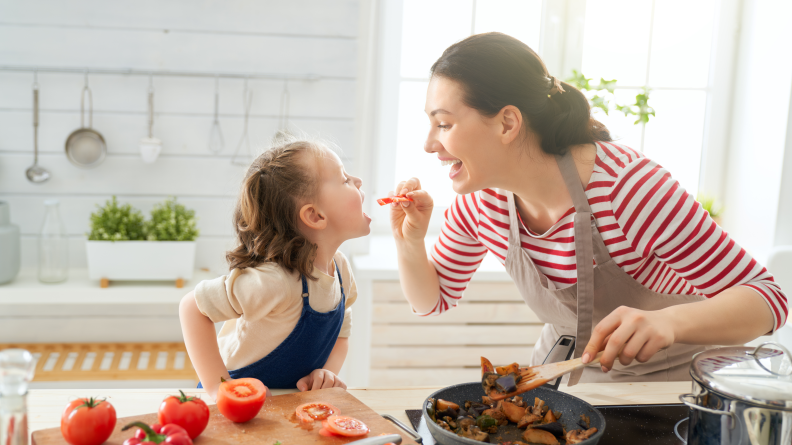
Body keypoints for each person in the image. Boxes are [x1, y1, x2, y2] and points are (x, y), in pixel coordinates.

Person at [389, 33, 787, 384]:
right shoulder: (481, 204)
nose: (429, 144)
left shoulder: (629, 190)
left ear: (507, 123)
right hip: (561, 376)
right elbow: (432, 300)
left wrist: (670, 321)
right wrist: (410, 242)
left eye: (443, 124)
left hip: (667, 384)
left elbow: (769, 300)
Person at [179, 135, 371, 399]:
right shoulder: (276, 281)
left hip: (287, 403)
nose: (358, 181)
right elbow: (192, 307)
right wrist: (218, 387)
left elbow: (341, 331)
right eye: (345, 179)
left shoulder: (340, 270)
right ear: (315, 216)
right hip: (232, 405)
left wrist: (326, 372)